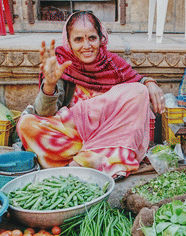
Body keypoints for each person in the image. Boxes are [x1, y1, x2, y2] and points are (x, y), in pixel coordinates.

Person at [17, 11, 165, 178]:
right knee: (26, 124)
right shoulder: (61, 65)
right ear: (69, 42)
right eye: (78, 39)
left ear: (101, 39)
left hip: (109, 134)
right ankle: (95, 158)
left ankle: (86, 160)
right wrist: (50, 84)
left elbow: (136, 82)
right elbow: (44, 114)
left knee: (139, 91)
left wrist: (149, 82)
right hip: (75, 137)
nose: (86, 46)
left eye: (92, 38)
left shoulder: (112, 64)